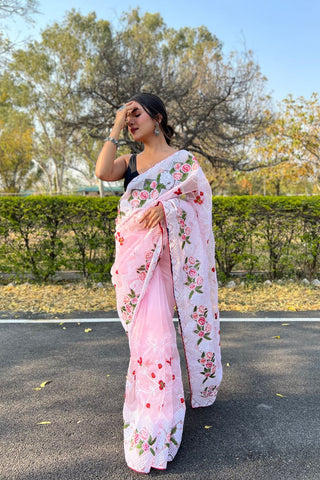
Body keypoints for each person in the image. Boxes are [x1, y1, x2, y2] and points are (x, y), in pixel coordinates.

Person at [95, 93, 222, 474]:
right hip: (135, 267)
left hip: (166, 266)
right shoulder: (129, 163)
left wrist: (168, 207)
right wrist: (115, 128)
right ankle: (148, 412)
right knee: (144, 343)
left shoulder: (182, 163)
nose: (130, 120)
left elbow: (199, 204)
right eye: (125, 115)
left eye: (136, 114)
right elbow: (102, 172)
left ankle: (158, 423)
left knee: (159, 340)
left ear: (158, 117)